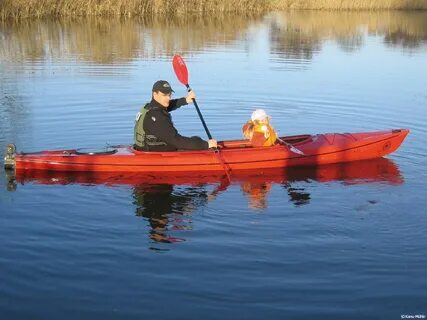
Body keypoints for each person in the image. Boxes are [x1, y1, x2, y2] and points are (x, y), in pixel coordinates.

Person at [134, 80, 217, 151]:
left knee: (196, 140)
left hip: (143, 148)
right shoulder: (157, 117)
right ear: (155, 94)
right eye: (164, 95)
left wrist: (186, 100)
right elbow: (177, 141)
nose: (168, 98)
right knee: (196, 140)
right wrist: (206, 145)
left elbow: (168, 106)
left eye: (169, 95)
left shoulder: (149, 107)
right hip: (154, 153)